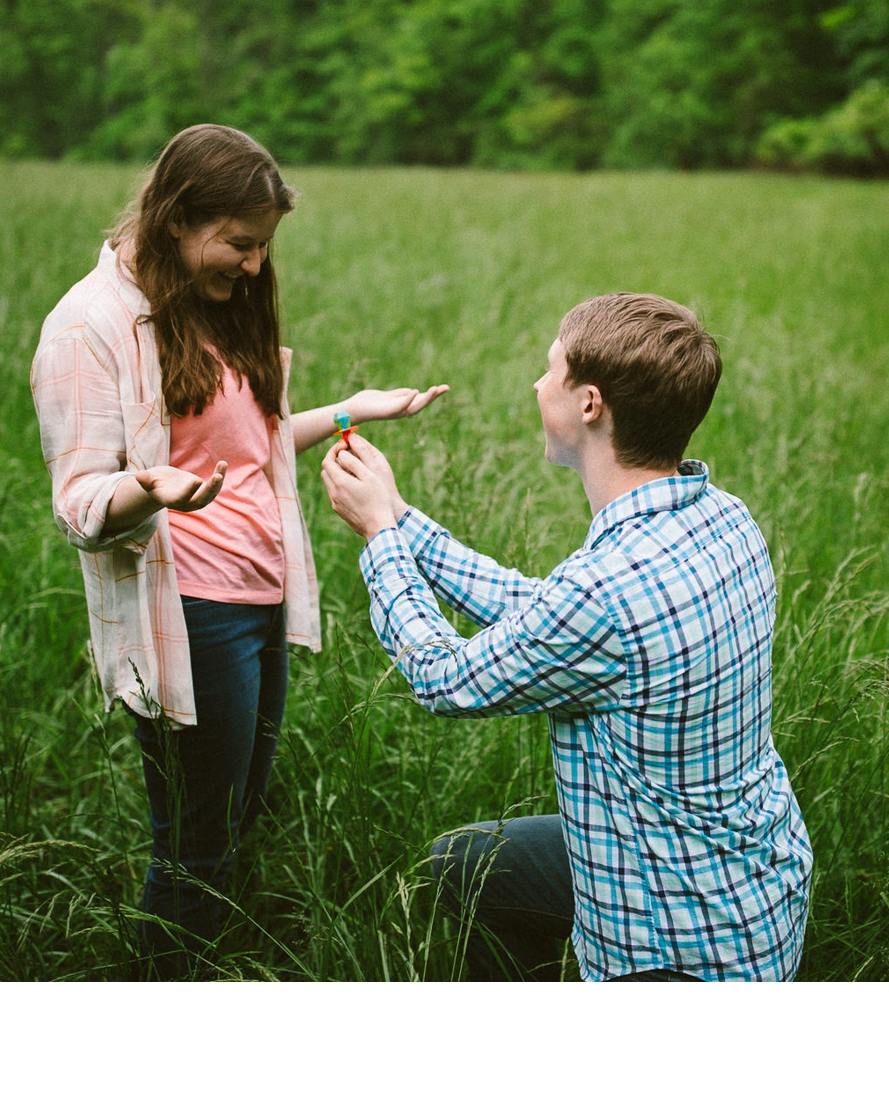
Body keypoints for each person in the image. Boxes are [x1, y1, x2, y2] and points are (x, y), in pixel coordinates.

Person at [30, 123, 446, 975]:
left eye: (264, 248)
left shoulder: (210, 304)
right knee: (195, 846)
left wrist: (349, 410)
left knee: (237, 816)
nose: (255, 267)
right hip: (190, 613)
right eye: (240, 244)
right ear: (179, 218)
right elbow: (79, 504)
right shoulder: (88, 328)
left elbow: (243, 448)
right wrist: (148, 489)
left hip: (256, 601)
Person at [319, 292, 812, 982]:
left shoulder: (603, 592)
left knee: (463, 871)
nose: (536, 384)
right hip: (756, 890)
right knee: (463, 868)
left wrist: (378, 538)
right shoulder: (723, 517)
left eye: (551, 370)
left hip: (682, 948)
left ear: (589, 404)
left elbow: (443, 677)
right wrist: (402, 517)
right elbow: (548, 618)